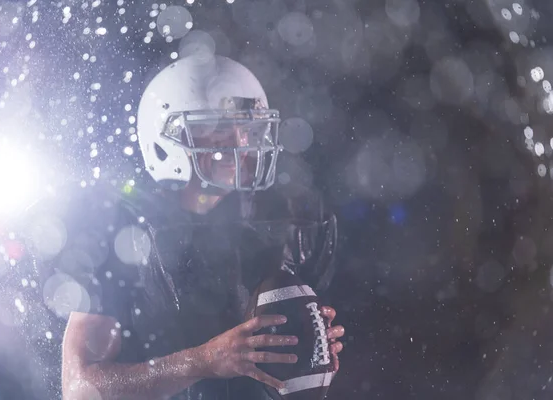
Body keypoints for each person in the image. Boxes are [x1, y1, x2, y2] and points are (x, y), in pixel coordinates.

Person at [17, 54, 344, 400]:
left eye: (247, 127)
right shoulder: (117, 226)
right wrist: (202, 361)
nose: (240, 143)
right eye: (218, 129)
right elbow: (81, 389)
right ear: (165, 140)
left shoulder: (287, 216)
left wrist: (307, 346)